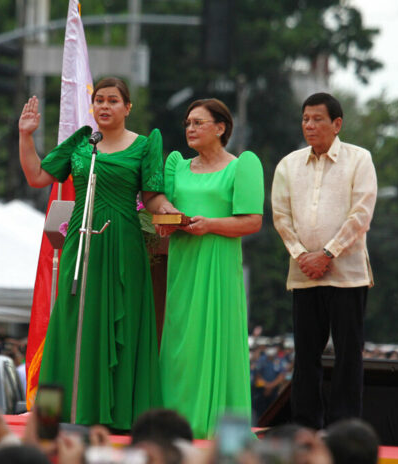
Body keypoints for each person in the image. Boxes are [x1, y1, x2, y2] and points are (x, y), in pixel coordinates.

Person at [18, 77, 177, 430]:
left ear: (127, 107)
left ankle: (120, 417)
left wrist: (169, 209)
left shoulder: (145, 144)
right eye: (99, 100)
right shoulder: (82, 142)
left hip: (123, 242)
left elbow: (152, 195)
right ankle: (55, 412)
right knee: (71, 322)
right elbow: (37, 176)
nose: (104, 106)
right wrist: (26, 135)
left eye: (113, 101)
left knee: (125, 322)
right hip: (80, 238)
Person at [157, 98, 264, 438]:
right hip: (183, 263)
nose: (190, 128)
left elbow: (252, 222)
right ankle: (174, 423)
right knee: (179, 342)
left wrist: (211, 225)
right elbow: (158, 207)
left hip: (217, 263)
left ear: (220, 128)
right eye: (188, 123)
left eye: (198, 123)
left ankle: (213, 429)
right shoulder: (177, 166)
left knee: (215, 337)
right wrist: (167, 216)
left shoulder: (241, 166)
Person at [272, 92, 377, 429]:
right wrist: (303, 256)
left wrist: (328, 253)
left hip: (347, 275)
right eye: (305, 119)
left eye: (317, 119)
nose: (309, 125)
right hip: (304, 274)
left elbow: (361, 214)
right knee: (305, 355)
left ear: (337, 124)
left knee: (348, 356)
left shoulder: (359, 160)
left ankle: (343, 428)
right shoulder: (288, 164)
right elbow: (280, 216)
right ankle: (305, 424)